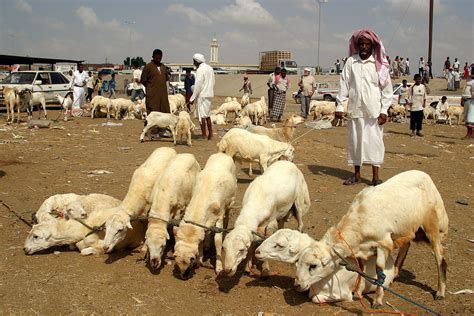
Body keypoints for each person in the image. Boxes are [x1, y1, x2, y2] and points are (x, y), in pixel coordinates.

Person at [335, 29, 393, 186]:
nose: (364, 47)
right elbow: (344, 84)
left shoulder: (379, 65)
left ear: (372, 46)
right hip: (355, 109)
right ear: (357, 45)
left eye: (367, 44)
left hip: (373, 111)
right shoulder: (351, 62)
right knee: (356, 143)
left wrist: (384, 111)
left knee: (374, 143)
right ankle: (356, 175)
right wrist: (340, 105)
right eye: (361, 44)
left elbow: (387, 91)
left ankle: (375, 177)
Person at [189, 53, 215, 140]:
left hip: (202, 95)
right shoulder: (210, 68)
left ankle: (204, 135)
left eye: (194, 61)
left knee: (202, 116)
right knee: (207, 115)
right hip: (209, 94)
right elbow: (213, 82)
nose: (193, 63)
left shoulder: (200, 70)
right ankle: (210, 134)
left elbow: (198, 85)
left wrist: (192, 98)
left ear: (196, 61)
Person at [141, 49, 170, 114]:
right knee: (153, 113)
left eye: (160, 57)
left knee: (164, 112)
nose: (158, 58)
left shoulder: (163, 67)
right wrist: (151, 87)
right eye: (157, 57)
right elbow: (143, 80)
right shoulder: (148, 67)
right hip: (152, 95)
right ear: (153, 56)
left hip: (163, 95)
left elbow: (166, 80)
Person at [462, 70, 474, 139]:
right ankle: (470, 134)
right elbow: (464, 89)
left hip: (471, 100)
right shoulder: (468, 79)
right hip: (466, 99)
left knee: (470, 118)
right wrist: (462, 98)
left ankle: (470, 134)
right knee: (466, 117)